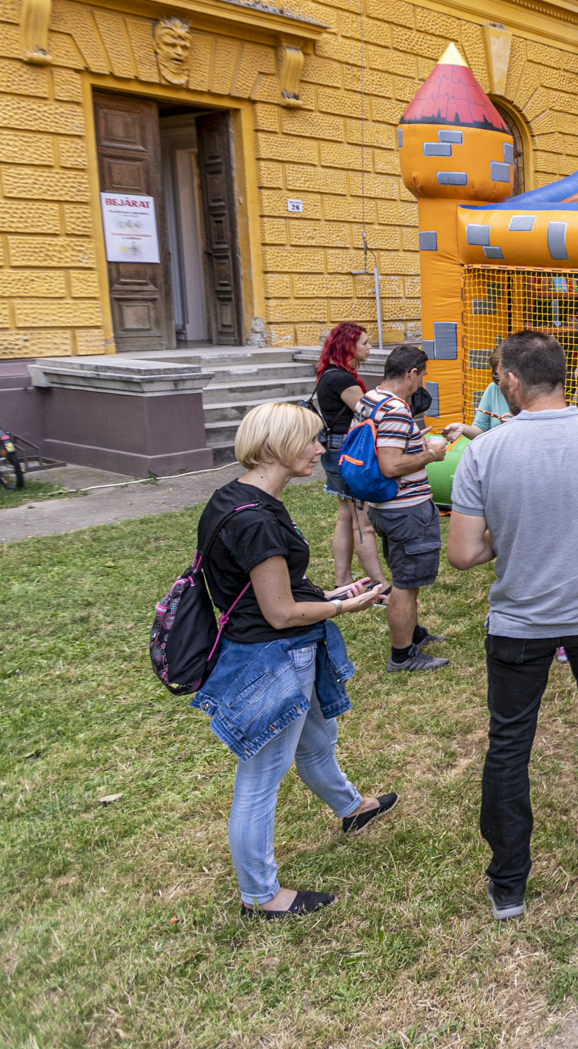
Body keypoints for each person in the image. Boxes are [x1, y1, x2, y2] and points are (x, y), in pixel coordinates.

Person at [445, 330, 578, 921]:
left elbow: (462, 553)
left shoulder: (486, 451)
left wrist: (512, 532)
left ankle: (509, 884)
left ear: (512, 381)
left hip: (519, 622)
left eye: (498, 377)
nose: (498, 385)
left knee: (510, 745)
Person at [190, 402, 394, 918]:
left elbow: (266, 587)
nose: (321, 449)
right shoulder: (257, 520)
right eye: (311, 440)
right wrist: (344, 607)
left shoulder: (235, 497)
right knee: (261, 777)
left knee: (317, 739)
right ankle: (261, 896)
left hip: (277, 648)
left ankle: (352, 808)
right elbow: (280, 613)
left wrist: (328, 592)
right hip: (273, 659)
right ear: (277, 445)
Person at [353, 345, 450, 673]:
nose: (421, 383)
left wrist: (413, 440)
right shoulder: (396, 408)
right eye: (422, 376)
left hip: (382, 507)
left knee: (404, 575)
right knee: (406, 586)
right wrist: (431, 454)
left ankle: (413, 633)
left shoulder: (370, 399)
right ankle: (402, 655)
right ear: (411, 373)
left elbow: (379, 445)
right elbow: (391, 465)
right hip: (406, 509)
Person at [312, 322, 385, 589]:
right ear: (348, 346)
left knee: (346, 516)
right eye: (364, 343)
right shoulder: (341, 378)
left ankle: (342, 581)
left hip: (335, 448)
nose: (370, 347)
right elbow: (370, 415)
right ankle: (379, 587)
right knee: (362, 523)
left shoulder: (329, 374)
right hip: (348, 451)